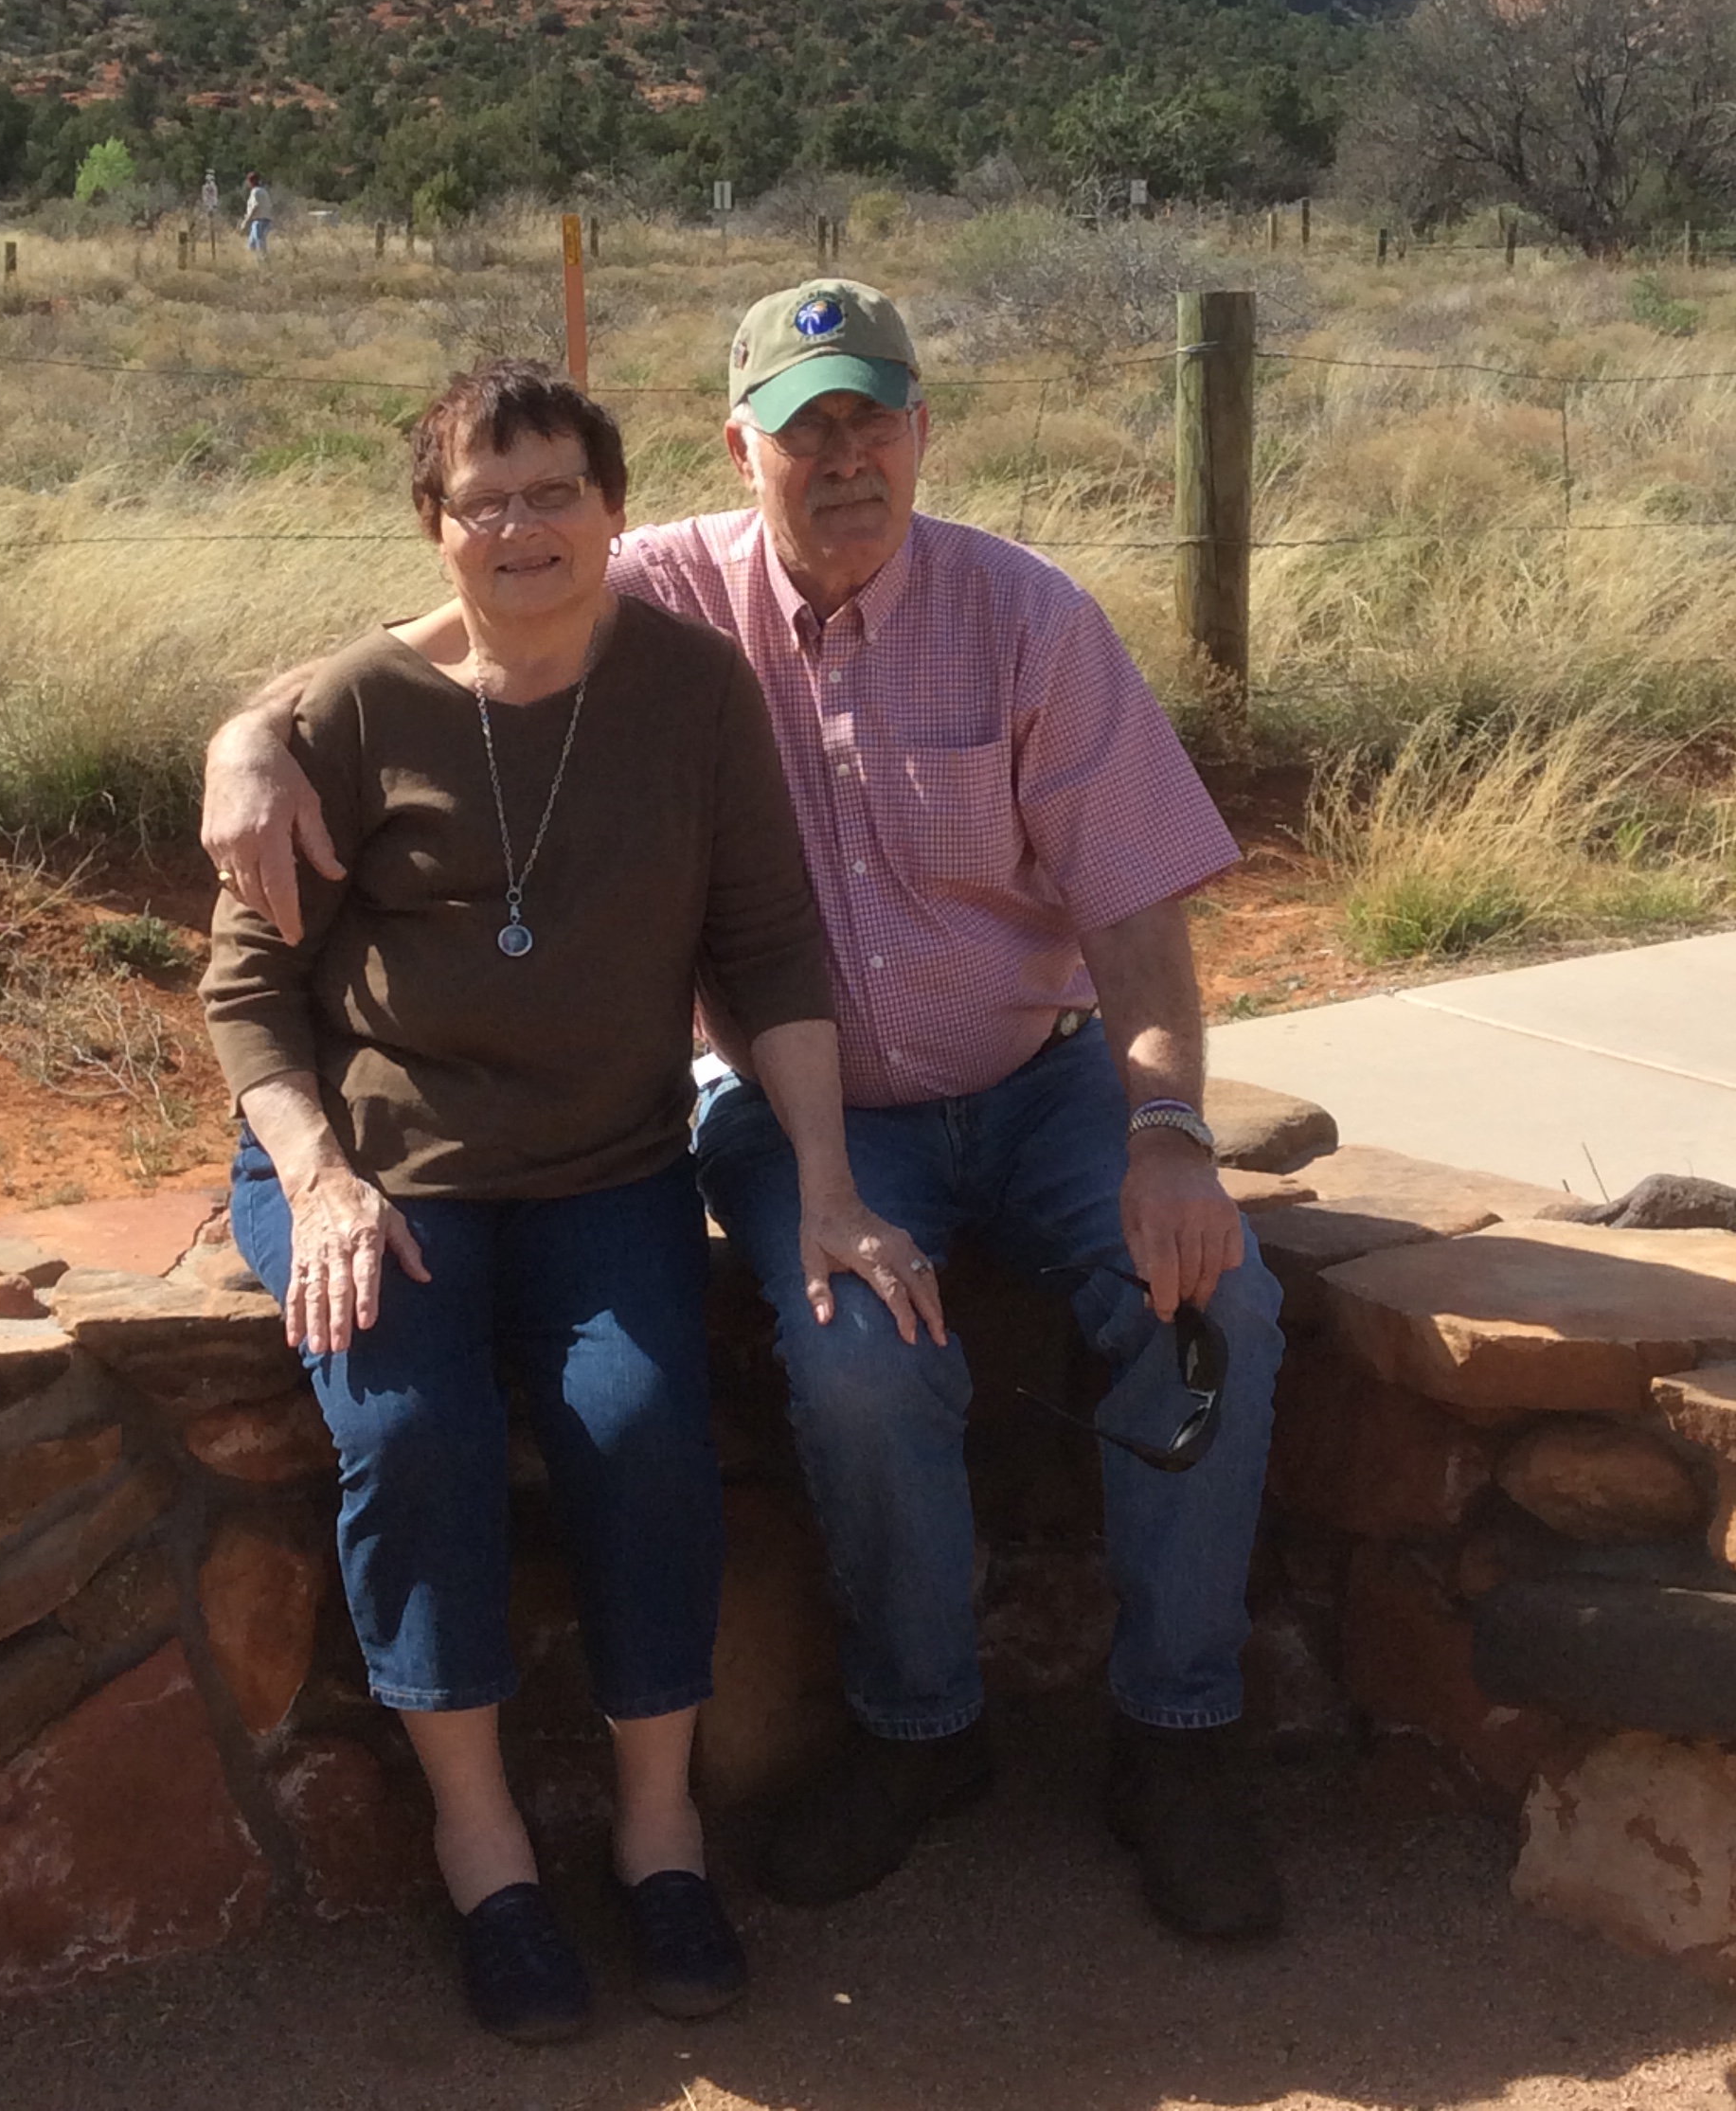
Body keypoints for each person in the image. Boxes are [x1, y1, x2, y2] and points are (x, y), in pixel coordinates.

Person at [203, 281, 1289, 1945]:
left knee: (1215, 1300)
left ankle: (1179, 1734)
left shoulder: (1029, 618)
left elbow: (1135, 917)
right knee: (859, 1359)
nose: (844, 460)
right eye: (804, 430)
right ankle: (921, 1728)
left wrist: (1168, 1135)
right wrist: (249, 733)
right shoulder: (654, 582)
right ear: (739, 449)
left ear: (921, 431)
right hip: (805, 1111)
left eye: (872, 422)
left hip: (1042, 1079)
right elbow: (446, 627)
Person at [199, 357, 933, 2042]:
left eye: (554, 493)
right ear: (434, 527)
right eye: (485, 500)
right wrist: (316, 1177)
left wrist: (827, 1183)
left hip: (603, 1166)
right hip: (374, 1169)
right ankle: (485, 1850)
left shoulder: (691, 690)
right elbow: (248, 990)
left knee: (644, 1423)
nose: (521, 527)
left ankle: (660, 1834)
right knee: (412, 1430)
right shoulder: (349, 715)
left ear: (614, 512)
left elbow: (767, 949)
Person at [242, 170, 271, 256]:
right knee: (252, 244)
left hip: (259, 221)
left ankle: (263, 261)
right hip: (265, 220)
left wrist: (246, 221)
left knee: (259, 244)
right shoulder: (263, 191)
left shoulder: (255, 192)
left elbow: (255, 206)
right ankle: (254, 260)